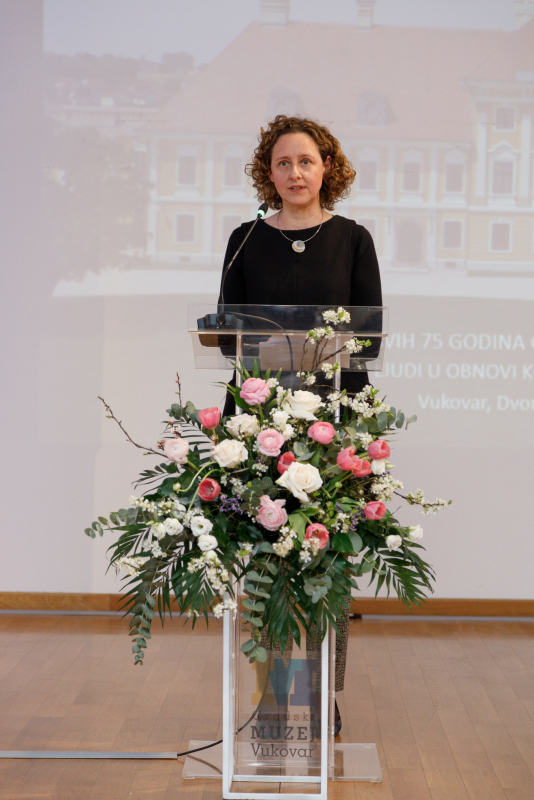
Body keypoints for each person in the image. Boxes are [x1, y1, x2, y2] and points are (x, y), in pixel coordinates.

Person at [218, 115, 383, 734]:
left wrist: (304, 354)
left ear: (326, 167)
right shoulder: (244, 240)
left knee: (325, 564)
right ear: (268, 172)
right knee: (264, 567)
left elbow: (367, 338)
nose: (295, 173)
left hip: (334, 420)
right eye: (283, 163)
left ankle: (317, 697)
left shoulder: (353, 239)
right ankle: (270, 697)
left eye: (306, 161)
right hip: (257, 421)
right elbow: (226, 335)